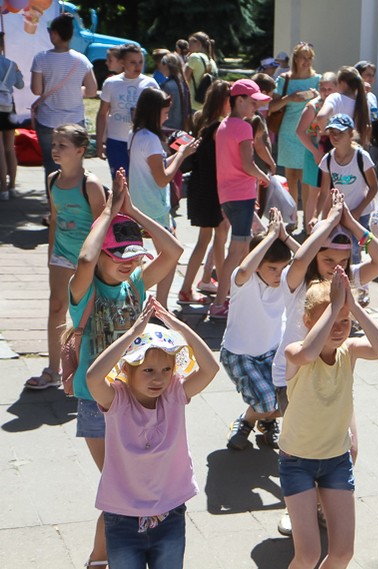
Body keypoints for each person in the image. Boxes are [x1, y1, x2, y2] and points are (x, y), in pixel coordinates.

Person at [68, 173, 183, 568]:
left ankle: (99, 559)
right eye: (120, 256)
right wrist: (107, 212)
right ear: (102, 252)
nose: (130, 264)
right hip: (97, 402)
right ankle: (101, 559)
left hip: (136, 401)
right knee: (120, 488)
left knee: (122, 489)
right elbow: (85, 260)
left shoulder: (135, 284)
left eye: (134, 257)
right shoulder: (85, 290)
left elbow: (173, 251)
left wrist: (134, 212)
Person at [270, 192, 378, 537]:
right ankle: (297, 507)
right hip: (294, 375)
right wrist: (328, 222)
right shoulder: (297, 283)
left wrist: (351, 223)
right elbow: (301, 257)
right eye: (327, 257)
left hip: (334, 373)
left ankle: (322, 504)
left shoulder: (344, 281)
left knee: (349, 448)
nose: (335, 264)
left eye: (343, 257)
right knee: (302, 446)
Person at [85, 297, 218, 568]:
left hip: (170, 514)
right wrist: (132, 334)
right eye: (148, 370)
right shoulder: (117, 399)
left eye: (166, 369)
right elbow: (92, 377)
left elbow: (211, 368)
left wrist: (178, 326)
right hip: (122, 518)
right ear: (127, 369)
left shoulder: (174, 393)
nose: (159, 378)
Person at [280, 266, 378, 568]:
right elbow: (307, 355)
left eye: (345, 322)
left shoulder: (349, 351)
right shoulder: (294, 351)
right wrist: (334, 307)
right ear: (308, 322)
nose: (339, 328)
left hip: (336, 461)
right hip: (297, 461)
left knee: (342, 553)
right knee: (308, 555)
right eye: (329, 321)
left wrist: (352, 307)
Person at [24, 125, 106, 390]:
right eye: (54, 144)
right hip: (61, 255)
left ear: (80, 151)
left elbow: (102, 226)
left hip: (88, 259)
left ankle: (89, 368)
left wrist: (101, 264)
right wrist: (51, 255)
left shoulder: (90, 184)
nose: (55, 150)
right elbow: (55, 219)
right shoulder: (53, 180)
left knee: (88, 312)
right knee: (56, 307)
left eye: (62, 145)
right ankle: (53, 369)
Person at [222, 209, 297, 450]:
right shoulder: (244, 281)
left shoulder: (285, 281)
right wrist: (270, 235)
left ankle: (264, 422)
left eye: (283, 268)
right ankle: (247, 422)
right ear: (258, 265)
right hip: (239, 354)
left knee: (292, 399)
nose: (279, 274)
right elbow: (245, 269)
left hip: (272, 352)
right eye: (272, 268)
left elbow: (309, 260)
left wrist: (284, 237)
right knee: (266, 402)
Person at [128, 88, 199, 306]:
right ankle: (156, 303)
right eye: (165, 112)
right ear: (154, 111)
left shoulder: (136, 135)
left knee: (164, 255)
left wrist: (176, 155)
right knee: (170, 256)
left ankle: (151, 300)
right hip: (154, 208)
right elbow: (162, 178)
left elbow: (155, 167)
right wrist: (181, 154)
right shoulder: (150, 139)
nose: (167, 117)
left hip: (141, 205)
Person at [209, 79, 272, 319]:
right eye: (253, 102)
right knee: (237, 250)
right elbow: (247, 164)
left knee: (242, 249)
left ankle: (238, 297)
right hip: (240, 195)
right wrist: (263, 177)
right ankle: (219, 303)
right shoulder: (244, 127)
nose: (256, 107)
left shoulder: (224, 125)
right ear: (240, 100)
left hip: (227, 194)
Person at [178, 80, 230, 304]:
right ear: (223, 101)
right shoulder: (219, 127)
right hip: (212, 188)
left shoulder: (200, 119)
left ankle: (217, 284)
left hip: (199, 185)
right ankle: (187, 289)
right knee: (209, 239)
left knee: (216, 236)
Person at [30, 12, 97, 185]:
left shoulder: (41, 58)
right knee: (75, 166)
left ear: (54, 34)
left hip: (48, 121)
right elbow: (91, 91)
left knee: (51, 165)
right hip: (75, 121)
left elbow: (37, 90)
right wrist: (75, 90)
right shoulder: (82, 60)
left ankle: (53, 199)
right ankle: (76, 197)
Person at [317, 115, 378, 276]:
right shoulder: (328, 159)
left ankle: (356, 284)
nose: (335, 137)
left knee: (355, 251)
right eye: (332, 133)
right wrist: (317, 217)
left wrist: (358, 210)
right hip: (339, 213)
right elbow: (324, 191)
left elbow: (373, 187)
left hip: (360, 214)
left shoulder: (361, 157)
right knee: (339, 251)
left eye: (340, 133)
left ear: (351, 134)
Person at [270, 43, 321, 212]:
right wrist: (289, 98)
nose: (307, 61)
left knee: (307, 178)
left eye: (310, 58)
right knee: (291, 176)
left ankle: (307, 218)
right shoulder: (284, 79)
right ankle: (292, 216)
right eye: (303, 58)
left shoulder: (318, 80)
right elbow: (272, 107)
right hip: (288, 132)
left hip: (308, 133)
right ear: (296, 59)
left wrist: (317, 97)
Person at [96, 44, 158, 178]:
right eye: (133, 62)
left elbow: (158, 113)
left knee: (138, 182)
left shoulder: (150, 84)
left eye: (140, 62)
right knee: (120, 182)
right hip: (116, 141)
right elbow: (102, 113)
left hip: (140, 141)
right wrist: (100, 142)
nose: (138, 66)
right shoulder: (111, 83)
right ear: (122, 63)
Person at [295, 71, 337, 235]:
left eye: (329, 89)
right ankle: (309, 230)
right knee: (314, 191)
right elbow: (300, 132)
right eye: (323, 89)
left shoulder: (336, 104)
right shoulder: (313, 106)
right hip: (314, 152)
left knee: (330, 192)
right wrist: (314, 152)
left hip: (332, 151)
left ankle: (325, 229)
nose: (326, 92)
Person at [0, 34, 23, 200]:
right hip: (9, 107)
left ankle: (3, 189)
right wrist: (17, 72)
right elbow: (20, 85)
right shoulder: (11, 64)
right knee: (10, 148)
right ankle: (13, 186)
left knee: (0, 150)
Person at [158, 53, 192, 133]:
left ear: (165, 65)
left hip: (167, 128)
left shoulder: (167, 86)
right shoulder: (184, 84)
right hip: (180, 129)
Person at [185, 31, 218, 111]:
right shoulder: (212, 61)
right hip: (206, 104)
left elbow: (184, 80)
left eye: (190, 44)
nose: (188, 47)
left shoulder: (194, 57)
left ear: (198, 44)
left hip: (193, 103)